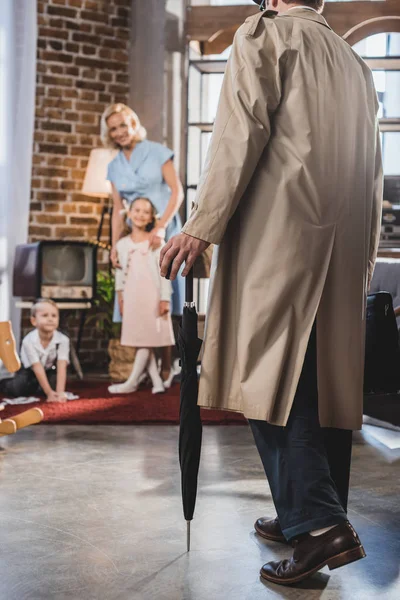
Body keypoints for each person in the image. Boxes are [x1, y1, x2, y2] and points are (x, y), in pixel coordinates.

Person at [160, 0, 383, 586]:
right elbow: (376, 167)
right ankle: (305, 514)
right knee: (321, 379)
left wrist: (201, 224)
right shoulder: (352, 60)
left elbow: (239, 135)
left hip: (281, 232)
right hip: (343, 242)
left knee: (271, 374)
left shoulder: (267, 35)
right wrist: (365, 256)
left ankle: (318, 530)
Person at [101, 103, 183, 380]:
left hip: (162, 232)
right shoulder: (113, 167)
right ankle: (147, 368)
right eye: (113, 128)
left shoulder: (158, 152)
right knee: (138, 299)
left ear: (134, 124)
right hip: (133, 237)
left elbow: (177, 193)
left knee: (164, 297)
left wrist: (160, 228)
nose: (119, 132)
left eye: (123, 125)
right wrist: (114, 245)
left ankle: (168, 365)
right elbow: (116, 209)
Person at [108, 198, 175, 395]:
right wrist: (120, 297)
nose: (140, 215)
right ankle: (157, 382)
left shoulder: (156, 243)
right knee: (142, 339)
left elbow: (164, 273)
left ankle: (131, 382)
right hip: (132, 296)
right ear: (129, 213)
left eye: (145, 212)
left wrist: (165, 298)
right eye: (136, 210)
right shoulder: (121, 244)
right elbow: (120, 274)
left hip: (152, 296)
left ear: (151, 218)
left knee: (145, 340)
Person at [0, 299, 70, 402]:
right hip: (28, 370)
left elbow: (61, 365)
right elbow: (36, 367)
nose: (50, 319)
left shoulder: (63, 340)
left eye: (54, 316)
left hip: (48, 369)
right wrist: (49, 393)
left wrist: (59, 393)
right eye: (45, 315)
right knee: (18, 389)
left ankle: (39, 386)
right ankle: (4, 383)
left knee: (54, 385)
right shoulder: (28, 341)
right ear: (34, 321)